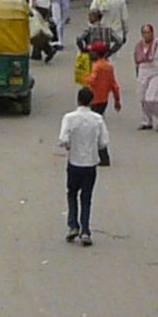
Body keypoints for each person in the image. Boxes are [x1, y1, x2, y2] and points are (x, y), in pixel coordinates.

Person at [58, 85, 110, 246]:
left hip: (74, 162)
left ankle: (73, 225)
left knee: (72, 193)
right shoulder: (97, 119)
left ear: (78, 100)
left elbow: (63, 139)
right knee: (86, 197)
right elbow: (103, 143)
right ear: (91, 101)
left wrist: (69, 146)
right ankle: (85, 231)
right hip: (91, 163)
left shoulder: (69, 118)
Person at [85, 43, 121, 116]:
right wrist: (117, 100)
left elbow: (92, 80)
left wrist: (84, 78)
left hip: (93, 99)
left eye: (91, 51)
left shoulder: (96, 66)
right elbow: (114, 86)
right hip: (104, 100)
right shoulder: (109, 67)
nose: (89, 54)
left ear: (96, 53)